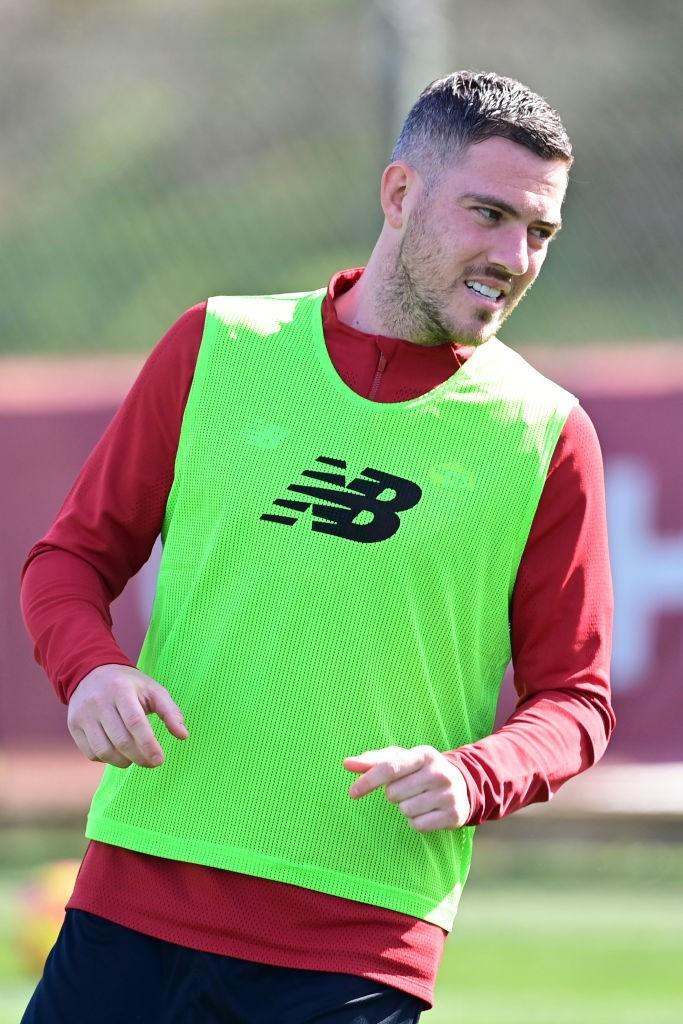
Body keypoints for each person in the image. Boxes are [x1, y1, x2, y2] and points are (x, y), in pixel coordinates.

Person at [19, 70, 614, 1023]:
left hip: (360, 942)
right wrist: (89, 670)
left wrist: (474, 773)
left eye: (539, 232)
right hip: (133, 900)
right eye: (489, 214)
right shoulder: (216, 345)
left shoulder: (544, 433)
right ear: (399, 193)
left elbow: (574, 702)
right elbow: (69, 561)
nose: (513, 255)